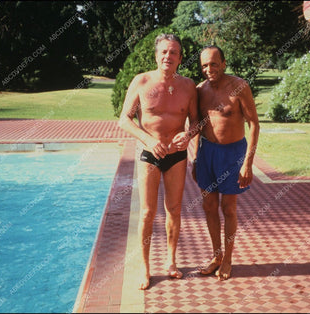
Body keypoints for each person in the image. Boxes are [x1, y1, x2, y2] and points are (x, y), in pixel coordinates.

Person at [119, 34, 199, 290]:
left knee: (174, 210)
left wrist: (188, 135)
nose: (168, 56)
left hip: (176, 156)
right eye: (164, 51)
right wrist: (147, 139)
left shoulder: (188, 86)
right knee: (146, 213)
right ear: (156, 55)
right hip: (149, 154)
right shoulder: (141, 81)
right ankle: (145, 268)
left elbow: (197, 122)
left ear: (180, 57)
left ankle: (171, 262)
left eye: (173, 52)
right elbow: (124, 119)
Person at [192, 45, 260, 281]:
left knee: (228, 208)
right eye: (204, 65)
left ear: (223, 63)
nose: (208, 69)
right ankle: (216, 256)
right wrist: (195, 157)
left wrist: (247, 163)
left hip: (233, 154)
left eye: (213, 63)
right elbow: (200, 124)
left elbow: (254, 125)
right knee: (209, 207)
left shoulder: (239, 86)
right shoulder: (200, 90)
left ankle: (228, 259)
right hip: (206, 153)